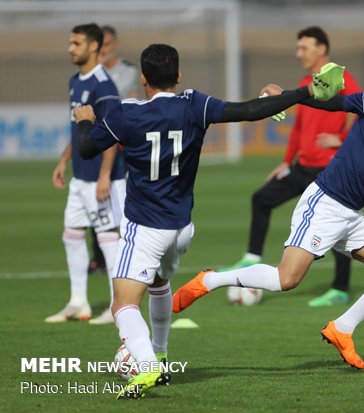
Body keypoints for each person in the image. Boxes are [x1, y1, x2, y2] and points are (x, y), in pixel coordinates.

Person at [74, 43, 345, 398]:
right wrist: (299, 93)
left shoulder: (125, 115)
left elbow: (87, 148)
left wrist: (84, 122)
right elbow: (249, 111)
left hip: (145, 226)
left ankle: (147, 365)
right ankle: (160, 352)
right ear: (179, 76)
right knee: (158, 284)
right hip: (182, 229)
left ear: (142, 78)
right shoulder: (193, 105)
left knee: (123, 304)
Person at [173, 70, 364, 370]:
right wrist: (286, 97)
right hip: (326, 202)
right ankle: (209, 280)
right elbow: (331, 103)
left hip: (353, 216)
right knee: (287, 280)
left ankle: (342, 328)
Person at [222, 26, 361, 308]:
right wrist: (286, 161)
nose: (299, 54)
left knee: (337, 232)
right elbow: (298, 126)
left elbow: (363, 110)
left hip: (328, 171)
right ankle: (251, 257)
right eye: (298, 48)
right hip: (302, 167)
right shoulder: (305, 81)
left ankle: (340, 289)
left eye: (304, 48)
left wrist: (341, 138)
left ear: (322, 49)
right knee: (261, 199)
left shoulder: (343, 78)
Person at [45, 23, 124, 324]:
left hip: (101, 179)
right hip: (80, 177)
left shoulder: (104, 85)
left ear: (93, 46)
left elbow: (112, 133)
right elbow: (77, 128)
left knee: (107, 237)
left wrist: (105, 175)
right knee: (72, 234)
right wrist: (64, 160)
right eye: (70, 42)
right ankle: (78, 302)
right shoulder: (74, 81)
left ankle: (118, 307)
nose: (70, 48)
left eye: (76, 43)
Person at [85, 25, 139, 325]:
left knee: (119, 210)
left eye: (106, 44)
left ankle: (121, 289)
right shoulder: (91, 75)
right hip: (103, 142)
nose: (103, 49)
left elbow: (115, 101)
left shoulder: (125, 72)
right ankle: (100, 260)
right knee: (99, 211)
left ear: (113, 44)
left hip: (123, 147)